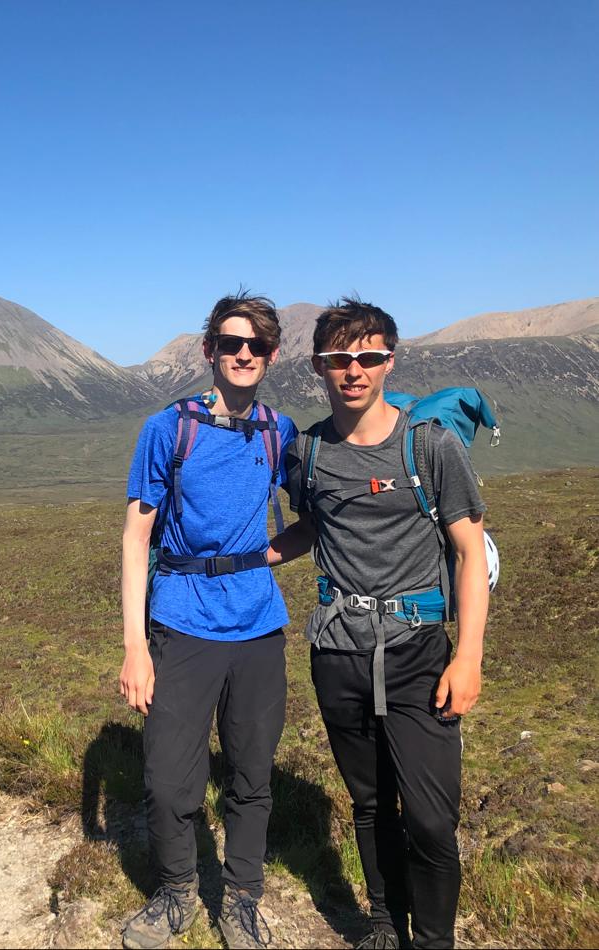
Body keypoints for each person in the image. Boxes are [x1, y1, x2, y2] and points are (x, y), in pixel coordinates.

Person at [267, 298, 488, 950]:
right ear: (318, 366)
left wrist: (467, 656)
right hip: (337, 654)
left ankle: (434, 940)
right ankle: (386, 928)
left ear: (390, 361)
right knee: (369, 803)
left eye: (368, 357)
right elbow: (313, 526)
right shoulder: (306, 452)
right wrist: (239, 559)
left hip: (420, 653)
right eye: (340, 359)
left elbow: (471, 550)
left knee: (429, 817)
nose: (354, 371)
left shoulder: (431, 447)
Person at [120, 291, 297, 950]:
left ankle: (242, 899)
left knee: (252, 775)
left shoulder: (281, 432)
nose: (243, 354)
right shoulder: (168, 429)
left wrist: (273, 553)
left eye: (255, 345)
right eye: (231, 343)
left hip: (257, 626)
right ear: (210, 351)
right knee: (170, 782)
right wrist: (135, 646)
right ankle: (176, 894)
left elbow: (327, 503)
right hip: (180, 621)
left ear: (271, 356)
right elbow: (136, 541)